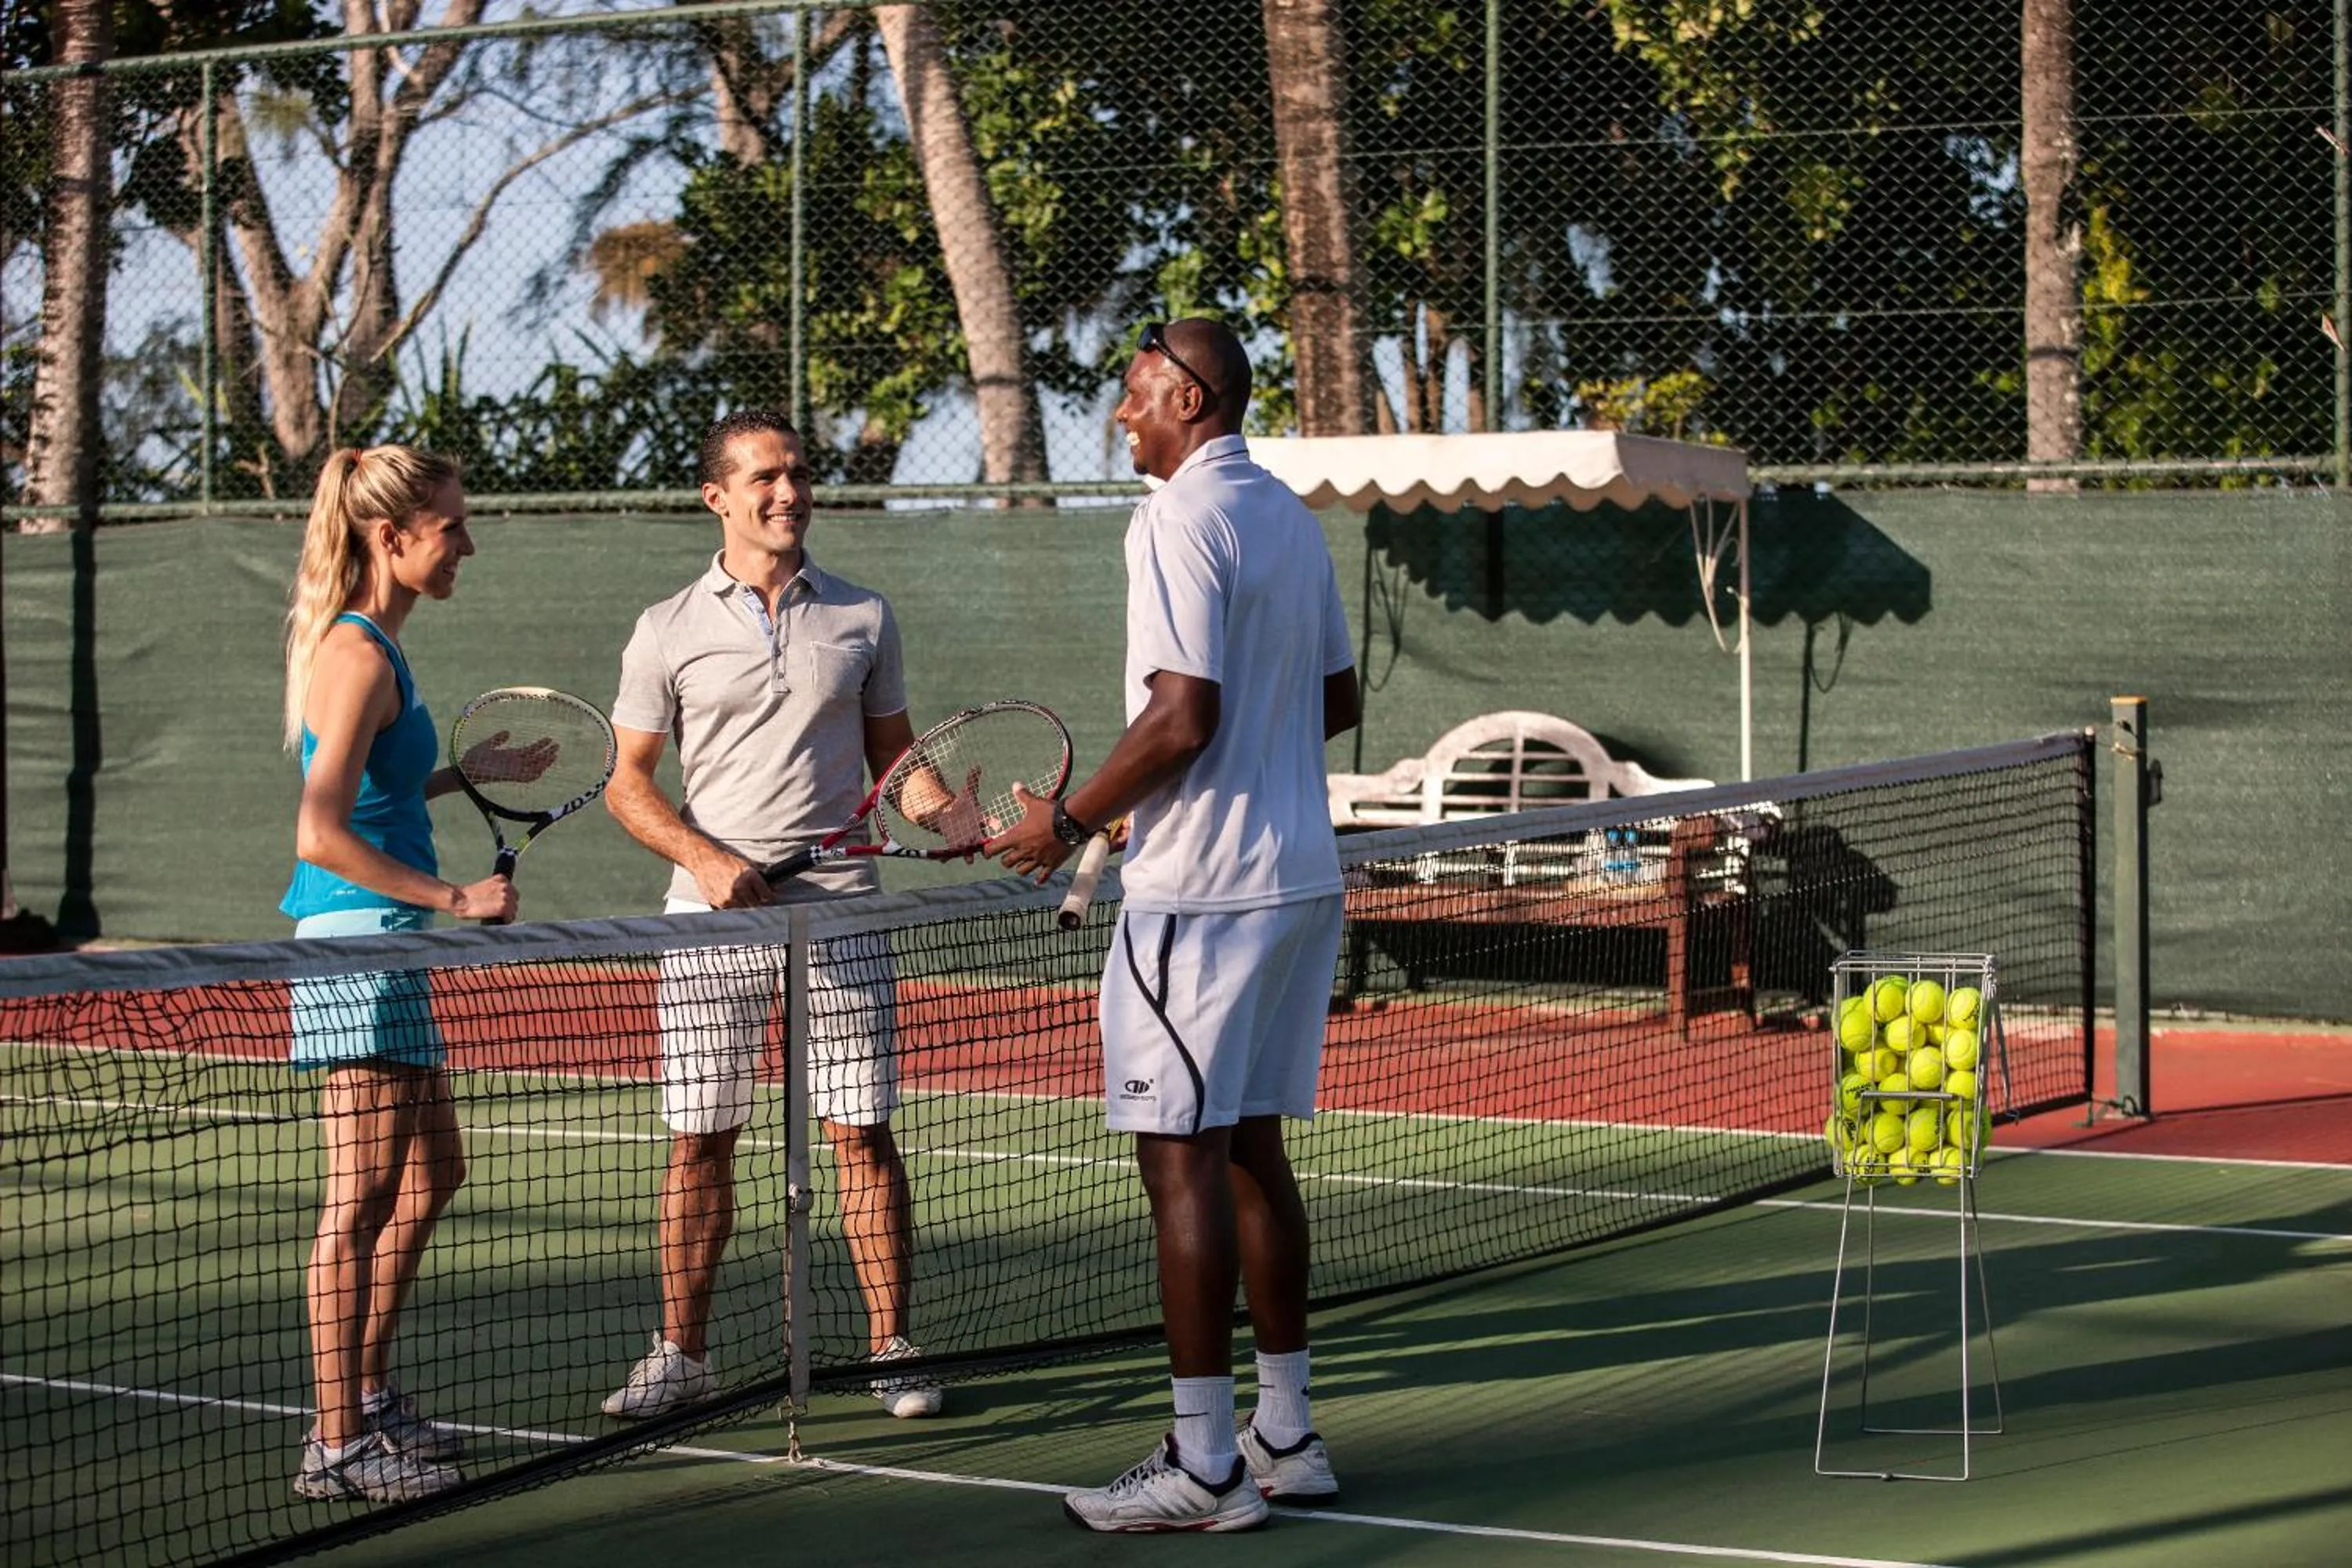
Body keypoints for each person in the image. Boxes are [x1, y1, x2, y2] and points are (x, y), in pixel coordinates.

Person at [989, 318, 1360, 1533]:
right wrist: (1168, 790)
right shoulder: (1290, 518)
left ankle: (1204, 1465)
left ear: (1190, 398)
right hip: (1298, 881)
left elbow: (1183, 715)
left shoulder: (1174, 519)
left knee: (1179, 1161)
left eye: (1138, 393)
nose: (1121, 415)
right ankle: (1286, 1437)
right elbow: (1335, 699)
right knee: (1251, 1148)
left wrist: (1067, 820)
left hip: (1201, 899)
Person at [599, 408, 942, 1422]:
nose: (788, 492)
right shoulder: (665, 627)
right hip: (710, 925)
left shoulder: (865, 615)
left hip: (839, 916)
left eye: (797, 473)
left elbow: (898, 762)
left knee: (862, 1133)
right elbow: (626, 783)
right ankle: (682, 1356)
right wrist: (704, 858)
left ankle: (891, 1348)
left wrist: (946, 812)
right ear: (718, 496)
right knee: (699, 1140)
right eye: (765, 477)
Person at [281, 444, 530, 1503]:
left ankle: (368, 1396)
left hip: (393, 944)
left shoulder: (380, 648)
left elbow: (375, 793)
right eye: (451, 526)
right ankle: (335, 1442)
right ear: (392, 537)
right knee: (360, 1199)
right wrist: (456, 898)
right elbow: (319, 833)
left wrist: (462, 777)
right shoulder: (356, 654)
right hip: (361, 946)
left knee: (432, 1175)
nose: (467, 542)